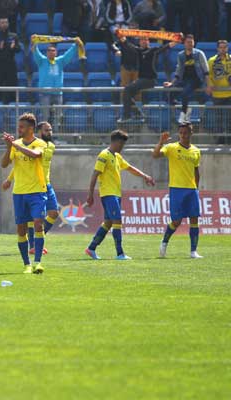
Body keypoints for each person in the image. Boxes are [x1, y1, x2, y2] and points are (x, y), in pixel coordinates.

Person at [85, 129, 155, 260]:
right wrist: (90, 194)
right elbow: (95, 174)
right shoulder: (104, 155)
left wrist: (145, 176)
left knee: (108, 222)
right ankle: (120, 253)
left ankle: (91, 248)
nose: (122, 147)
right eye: (122, 144)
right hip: (108, 193)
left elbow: (129, 168)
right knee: (117, 220)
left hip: (116, 194)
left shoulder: (117, 156)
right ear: (116, 142)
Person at [4, 121, 61, 255]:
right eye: (47, 130)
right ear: (39, 131)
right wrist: (9, 179)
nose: (50, 133)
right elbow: (18, 165)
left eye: (51, 130)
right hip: (34, 185)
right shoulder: (31, 145)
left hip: (46, 184)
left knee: (54, 213)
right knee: (32, 219)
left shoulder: (51, 146)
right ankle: (33, 246)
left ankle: (37, 240)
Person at [0, 113, 48, 274]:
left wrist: (15, 145)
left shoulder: (40, 143)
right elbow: (4, 164)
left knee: (38, 224)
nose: (19, 129)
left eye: (22, 126)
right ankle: (26, 264)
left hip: (36, 191)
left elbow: (35, 155)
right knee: (21, 229)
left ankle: (38, 262)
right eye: (18, 126)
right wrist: (9, 148)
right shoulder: (16, 144)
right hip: (19, 192)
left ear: (31, 128)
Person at [152, 124, 203, 259]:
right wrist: (161, 142)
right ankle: (164, 243)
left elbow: (196, 170)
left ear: (191, 133)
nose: (183, 135)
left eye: (185, 132)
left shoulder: (196, 151)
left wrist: (196, 188)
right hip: (176, 189)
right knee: (176, 221)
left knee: (194, 219)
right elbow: (155, 155)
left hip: (191, 190)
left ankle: (193, 251)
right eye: (180, 133)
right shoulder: (171, 148)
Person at [118, 34, 177, 122]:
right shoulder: (138, 51)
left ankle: (127, 116)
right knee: (127, 93)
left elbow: (166, 47)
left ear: (148, 41)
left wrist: (176, 40)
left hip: (150, 80)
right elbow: (128, 45)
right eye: (142, 40)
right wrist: (122, 37)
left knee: (127, 90)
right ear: (139, 42)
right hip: (141, 80)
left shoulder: (153, 50)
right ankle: (138, 114)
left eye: (145, 40)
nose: (144, 41)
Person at [32, 35, 83, 127]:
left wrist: (75, 44)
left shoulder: (61, 61)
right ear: (46, 53)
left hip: (58, 93)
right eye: (49, 51)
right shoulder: (41, 61)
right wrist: (34, 42)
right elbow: (35, 51)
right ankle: (44, 135)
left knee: (58, 116)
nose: (51, 52)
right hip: (45, 93)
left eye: (53, 51)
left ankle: (56, 135)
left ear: (56, 52)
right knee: (45, 116)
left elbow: (69, 54)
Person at [164, 35, 209, 123]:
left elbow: (206, 70)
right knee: (169, 95)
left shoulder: (199, 53)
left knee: (185, 94)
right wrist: (172, 83)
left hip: (196, 79)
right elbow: (179, 71)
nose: (190, 44)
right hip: (184, 80)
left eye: (191, 42)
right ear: (184, 43)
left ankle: (184, 115)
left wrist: (208, 85)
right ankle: (185, 108)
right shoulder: (181, 55)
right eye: (188, 42)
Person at [0, 17, 20, 104]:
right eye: (2, 22)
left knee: (12, 85)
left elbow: (18, 49)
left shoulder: (13, 36)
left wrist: (13, 47)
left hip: (11, 64)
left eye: (6, 22)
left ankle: (12, 104)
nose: (4, 24)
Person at [206, 40, 231, 143]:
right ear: (217, 49)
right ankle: (220, 141)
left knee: (229, 120)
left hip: (229, 94)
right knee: (219, 120)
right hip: (217, 95)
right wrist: (210, 85)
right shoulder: (212, 61)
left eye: (225, 47)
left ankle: (229, 140)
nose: (223, 49)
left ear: (227, 48)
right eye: (221, 47)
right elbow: (208, 75)